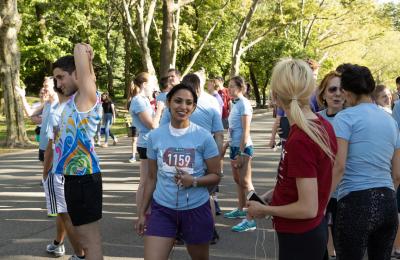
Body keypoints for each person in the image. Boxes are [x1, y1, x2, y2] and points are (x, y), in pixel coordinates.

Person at [247, 58, 337, 260]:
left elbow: (307, 207)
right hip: (311, 232)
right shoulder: (321, 125)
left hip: (301, 236)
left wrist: (265, 209)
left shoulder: (301, 138)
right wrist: (277, 193)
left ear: (275, 96)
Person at [135, 83, 221, 260]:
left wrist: (194, 181)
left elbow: (216, 175)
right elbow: (151, 178)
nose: (183, 107)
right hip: (163, 210)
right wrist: (142, 213)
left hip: (196, 209)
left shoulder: (204, 137)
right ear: (168, 102)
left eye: (189, 103)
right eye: (178, 101)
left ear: (194, 107)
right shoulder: (155, 136)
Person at [331, 64, 400, 260]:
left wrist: (322, 201)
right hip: (388, 203)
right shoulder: (390, 122)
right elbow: (397, 174)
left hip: (354, 203)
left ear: (347, 92)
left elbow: (339, 166)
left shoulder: (345, 118)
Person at [52, 43, 104, 260]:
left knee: (90, 244)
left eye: (61, 77)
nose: (57, 83)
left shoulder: (85, 99)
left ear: (76, 74)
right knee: (87, 242)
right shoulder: (75, 101)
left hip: (83, 179)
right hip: (76, 178)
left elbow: (80, 56)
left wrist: (82, 49)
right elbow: (87, 75)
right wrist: (89, 62)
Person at [42, 78, 84, 260]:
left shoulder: (59, 111)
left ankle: (80, 254)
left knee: (64, 212)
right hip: (78, 167)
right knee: (63, 210)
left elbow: (52, 144)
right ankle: (58, 243)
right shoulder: (77, 107)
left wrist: (45, 172)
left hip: (60, 169)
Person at [316, 70, 345, 260]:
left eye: (342, 89)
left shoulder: (352, 118)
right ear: (323, 95)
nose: (337, 93)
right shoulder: (316, 119)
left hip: (346, 192)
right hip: (321, 190)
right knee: (321, 245)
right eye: (332, 89)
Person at [223, 76, 256, 232]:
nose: (229, 89)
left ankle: (251, 217)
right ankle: (241, 208)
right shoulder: (234, 103)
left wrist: (242, 151)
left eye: (232, 86)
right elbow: (233, 128)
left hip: (243, 148)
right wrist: (228, 144)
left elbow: (245, 130)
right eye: (228, 86)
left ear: (241, 88)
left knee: (246, 182)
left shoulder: (244, 104)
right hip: (234, 146)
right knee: (237, 180)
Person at [129, 72, 164, 213]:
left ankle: (147, 212)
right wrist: (160, 109)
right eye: (152, 84)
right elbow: (152, 125)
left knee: (151, 180)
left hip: (151, 143)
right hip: (146, 144)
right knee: (145, 181)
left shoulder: (143, 100)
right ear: (144, 85)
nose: (154, 87)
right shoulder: (138, 101)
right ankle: (142, 214)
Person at [126, 82, 140, 163]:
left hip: (141, 122)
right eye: (131, 87)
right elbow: (127, 110)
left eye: (133, 87)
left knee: (142, 140)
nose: (132, 88)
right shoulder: (130, 99)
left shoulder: (140, 97)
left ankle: (142, 153)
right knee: (134, 139)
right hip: (133, 122)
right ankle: (133, 156)